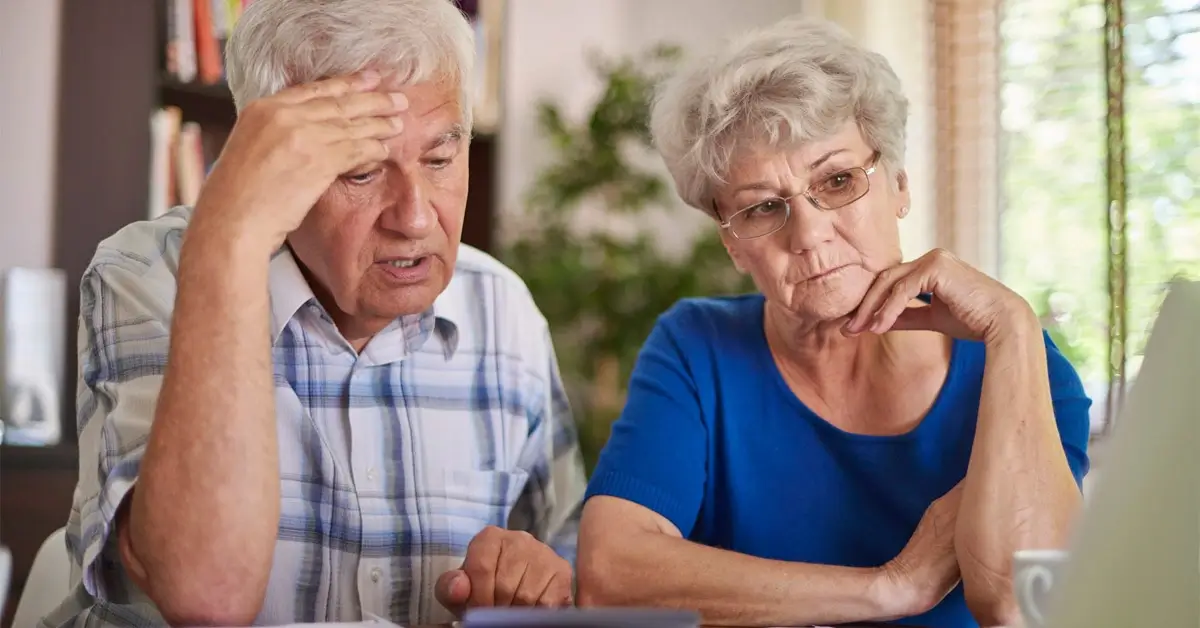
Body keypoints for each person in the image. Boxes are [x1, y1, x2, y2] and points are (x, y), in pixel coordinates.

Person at [42, 1, 586, 626]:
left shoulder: (502, 309)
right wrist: (229, 236)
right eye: (361, 172)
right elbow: (204, 595)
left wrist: (536, 580)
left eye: (439, 160)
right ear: (269, 159)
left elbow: (571, 568)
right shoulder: (149, 275)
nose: (415, 218)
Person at [576, 16, 1090, 628]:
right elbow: (611, 576)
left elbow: (1017, 605)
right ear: (732, 243)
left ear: (899, 185)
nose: (810, 234)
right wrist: (889, 588)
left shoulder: (1022, 363)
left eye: (839, 180)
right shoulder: (697, 348)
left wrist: (1012, 323)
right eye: (763, 208)